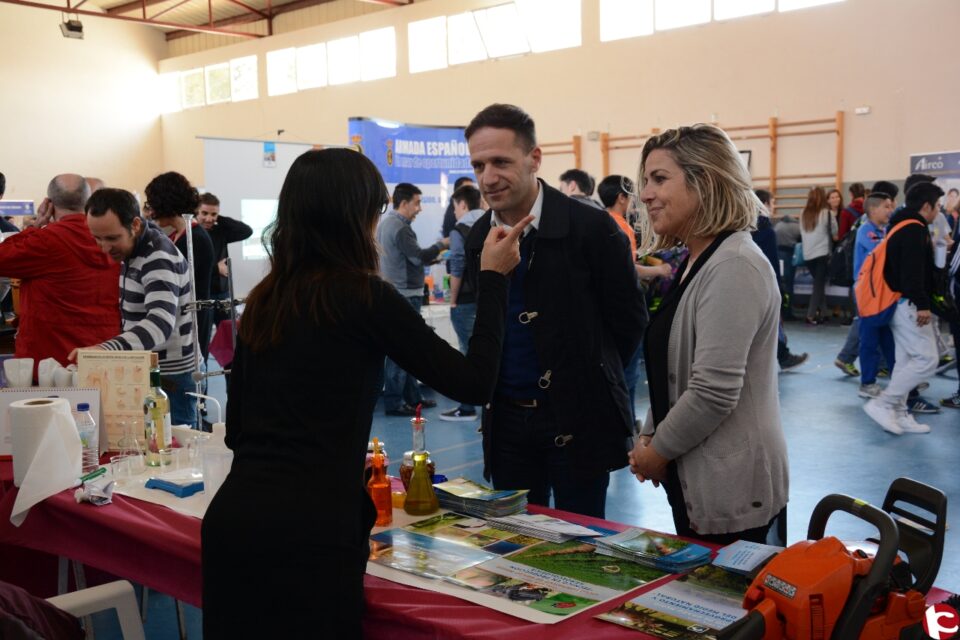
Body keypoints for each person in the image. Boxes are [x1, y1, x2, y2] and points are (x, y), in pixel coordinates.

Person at [201, 148, 528, 639]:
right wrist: (494, 281)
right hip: (311, 531)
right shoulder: (363, 297)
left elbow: (239, 429)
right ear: (354, 216)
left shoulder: (267, 298)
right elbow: (473, 382)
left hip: (236, 521)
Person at [463, 104, 646, 518]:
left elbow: (629, 321)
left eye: (500, 162)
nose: (488, 177)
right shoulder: (479, 237)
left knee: (581, 543)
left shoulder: (592, 229)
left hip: (577, 420)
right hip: (507, 422)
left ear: (535, 158)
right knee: (512, 540)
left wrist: (587, 373)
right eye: (478, 165)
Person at [629, 124, 788, 546]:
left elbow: (714, 390)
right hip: (697, 471)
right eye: (645, 180)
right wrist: (650, 434)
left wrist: (655, 451)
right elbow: (674, 367)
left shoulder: (734, 266)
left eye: (659, 179)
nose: (645, 194)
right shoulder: (699, 259)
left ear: (706, 181)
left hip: (734, 488)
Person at [78, 188, 194, 423]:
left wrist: (106, 350)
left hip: (170, 374)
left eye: (112, 238)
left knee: (173, 452)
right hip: (152, 368)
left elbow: (159, 324)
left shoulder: (157, 257)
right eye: (97, 238)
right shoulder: (135, 249)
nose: (104, 247)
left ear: (136, 225)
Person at [0, 174, 119, 376]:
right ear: (89, 202)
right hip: (104, 354)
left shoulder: (45, 241)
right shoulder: (113, 237)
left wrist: (36, 225)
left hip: (50, 363)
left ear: (49, 203)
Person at [863, 181, 945, 435]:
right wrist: (923, 304)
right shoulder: (913, 230)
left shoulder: (901, 225)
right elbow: (912, 274)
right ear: (927, 206)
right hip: (907, 304)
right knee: (927, 360)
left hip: (898, 303)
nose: (939, 212)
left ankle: (899, 412)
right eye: (937, 206)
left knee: (905, 360)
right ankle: (883, 403)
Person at [375, 182, 449, 416]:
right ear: (404, 203)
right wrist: (442, 245)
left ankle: (412, 398)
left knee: (405, 349)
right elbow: (419, 257)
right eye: (417, 203)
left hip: (396, 290)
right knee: (402, 351)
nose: (419, 209)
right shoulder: (402, 228)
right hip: (407, 294)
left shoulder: (385, 225)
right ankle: (396, 402)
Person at [145, 173, 214, 374]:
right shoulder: (177, 235)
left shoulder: (195, 238)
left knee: (194, 375)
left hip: (194, 318)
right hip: (185, 317)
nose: (151, 211)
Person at [440, 183, 485, 422]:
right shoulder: (492, 221)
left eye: (455, 206)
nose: (455, 212)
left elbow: (457, 266)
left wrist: (453, 299)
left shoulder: (459, 230)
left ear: (463, 205)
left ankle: (467, 407)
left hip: (467, 298)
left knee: (468, 352)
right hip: (491, 297)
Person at [753, 189, 807, 371]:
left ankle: (781, 355)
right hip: (764, 284)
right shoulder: (766, 229)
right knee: (773, 323)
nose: (774, 206)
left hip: (750, 283)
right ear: (764, 204)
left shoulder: (745, 226)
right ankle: (783, 356)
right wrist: (779, 286)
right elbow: (771, 262)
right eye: (772, 202)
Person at [855, 191, 896, 398]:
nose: (891, 210)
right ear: (873, 209)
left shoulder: (886, 230)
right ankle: (867, 383)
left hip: (882, 292)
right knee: (869, 339)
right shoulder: (866, 231)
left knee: (888, 338)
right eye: (886, 206)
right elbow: (881, 252)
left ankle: (900, 380)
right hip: (867, 294)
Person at [196, 192, 252, 333]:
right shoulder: (192, 234)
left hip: (222, 293)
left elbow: (246, 231)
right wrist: (216, 269)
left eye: (213, 214)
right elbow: (192, 268)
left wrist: (218, 218)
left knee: (229, 334)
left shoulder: (220, 231)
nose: (209, 218)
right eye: (204, 213)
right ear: (196, 211)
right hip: (203, 294)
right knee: (203, 335)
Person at [800, 186, 838, 324]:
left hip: (808, 255)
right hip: (822, 254)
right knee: (818, 285)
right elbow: (835, 235)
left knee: (819, 284)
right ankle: (810, 315)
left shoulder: (803, 213)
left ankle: (825, 312)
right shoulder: (827, 214)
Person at [774, 210, 801, 319]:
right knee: (789, 284)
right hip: (790, 256)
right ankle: (788, 311)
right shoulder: (797, 226)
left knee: (780, 284)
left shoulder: (777, 226)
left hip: (778, 255)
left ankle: (780, 312)